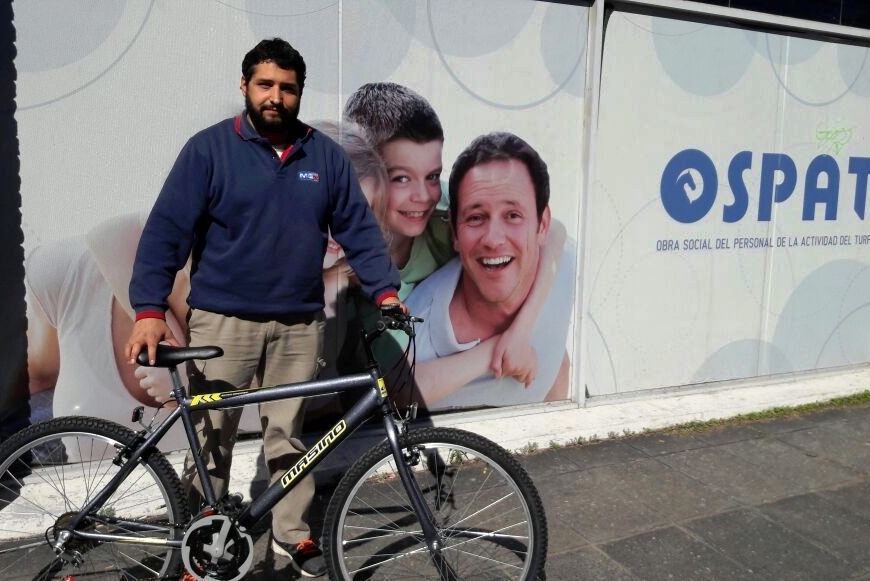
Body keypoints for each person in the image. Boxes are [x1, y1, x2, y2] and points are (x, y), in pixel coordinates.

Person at [125, 39, 403, 578]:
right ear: (245, 87)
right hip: (222, 322)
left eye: (288, 88)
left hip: (298, 323)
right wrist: (149, 310)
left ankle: (292, 538)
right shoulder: (207, 151)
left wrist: (386, 291)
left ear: (300, 92)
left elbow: (359, 231)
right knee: (211, 439)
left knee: (290, 440)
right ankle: (200, 541)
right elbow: (166, 232)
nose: (276, 97)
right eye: (265, 85)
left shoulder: (323, 156)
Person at [344, 83, 566, 397]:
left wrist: (521, 331)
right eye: (401, 178)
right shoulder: (343, 257)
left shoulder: (444, 209)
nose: (423, 196)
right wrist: (495, 351)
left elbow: (553, 231)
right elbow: (398, 385)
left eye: (432, 176)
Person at [406, 132, 575, 410]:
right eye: (476, 218)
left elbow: (556, 353)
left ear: (541, 225)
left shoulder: (565, 264)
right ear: (454, 234)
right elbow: (390, 392)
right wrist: (496, 350)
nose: (493, 239)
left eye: (512, 215)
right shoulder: (415, 333)